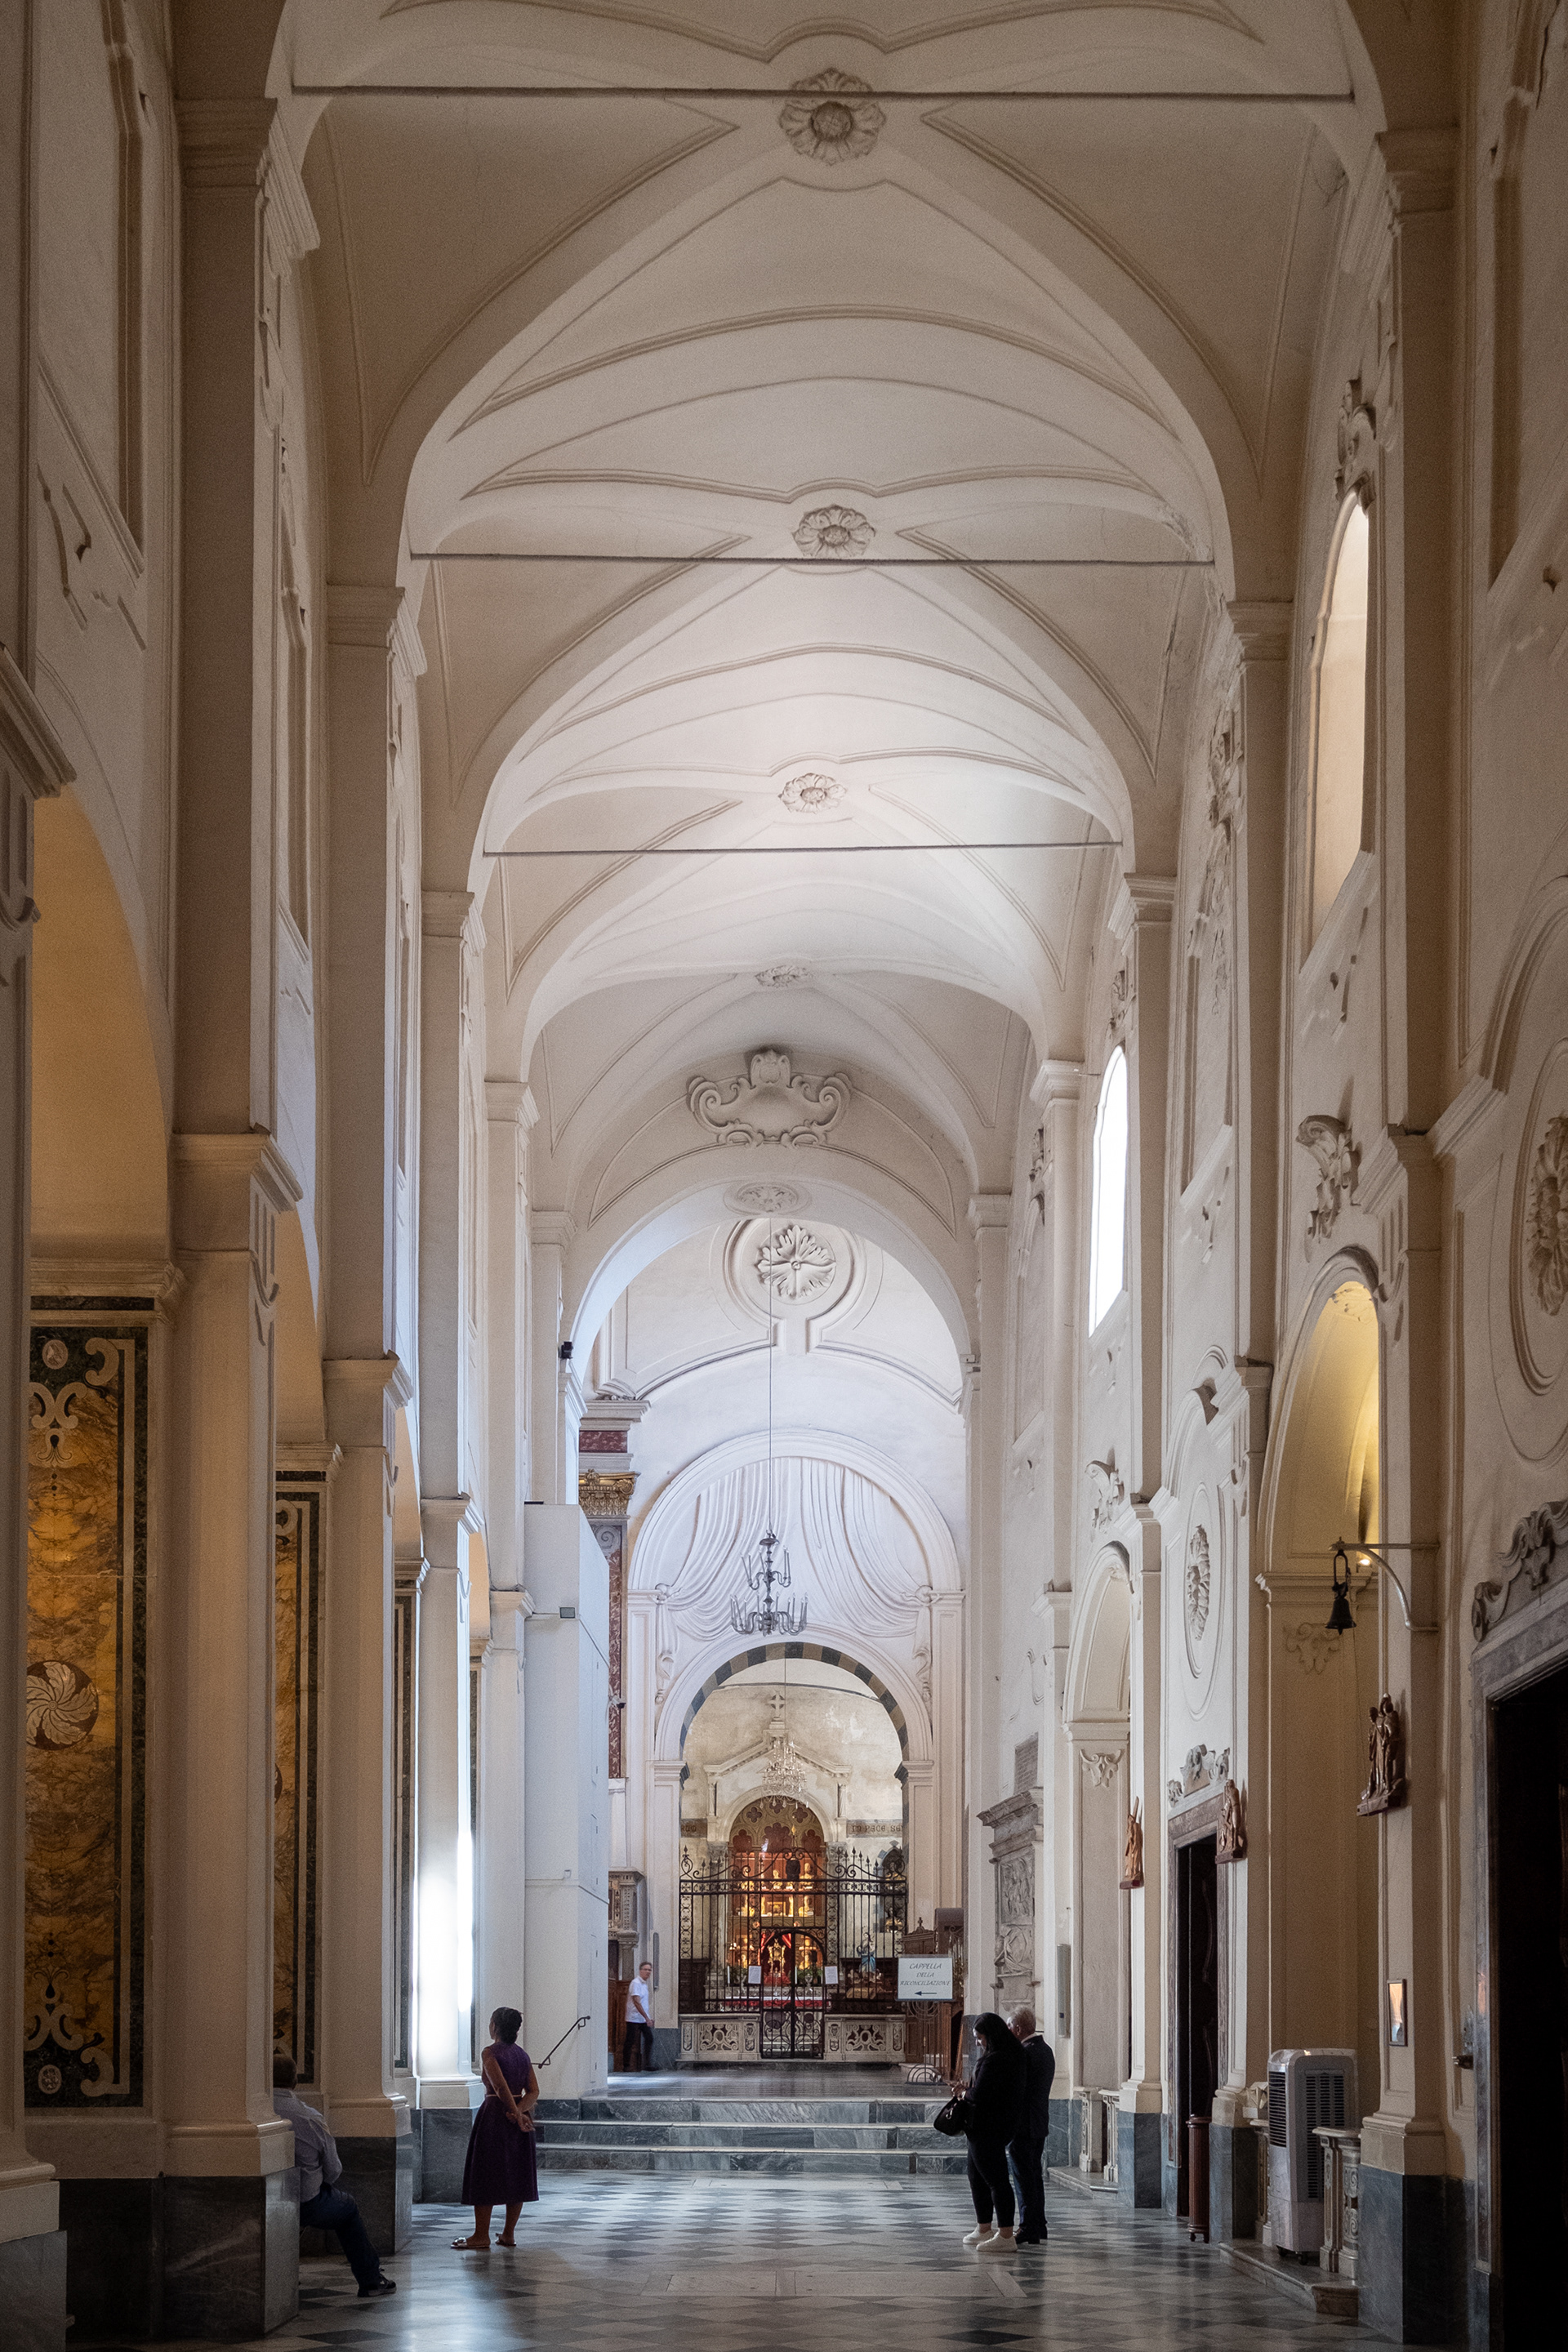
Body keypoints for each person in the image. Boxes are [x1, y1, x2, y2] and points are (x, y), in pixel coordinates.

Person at [273, 2055, 395, 2299]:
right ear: (295, 2081)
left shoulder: (260, 2113)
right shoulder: (309, 2117)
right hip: (308, 2202)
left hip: (268, 2198)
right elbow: (334, 2168)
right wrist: (321, 2183)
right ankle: (370, 2280)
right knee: (347, 2208)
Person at [453, 2007, 539, 2250]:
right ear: (516, 2030)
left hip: (493, 2116)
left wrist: (512, 2111)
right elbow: (534, 2090)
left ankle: (481, 2235)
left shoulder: (489, 2052)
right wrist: (520, 2112)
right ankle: (508, 2234)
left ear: (494, 2027)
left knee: (485, 2174)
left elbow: (499, 2086)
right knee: (517, 2174)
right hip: (518, 2119)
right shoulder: (523, 2056)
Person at [960, 2011, 1026, 2252]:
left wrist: (963, 2094)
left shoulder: (999, 2059)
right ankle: (984, 2228)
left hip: (989, 2128)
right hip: (982, 2128)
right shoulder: (1008, 2055)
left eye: (980, 2037)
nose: (978, 2042)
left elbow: (981, 2095)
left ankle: (1006, 2235)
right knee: (977, 2178)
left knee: (997, 2181)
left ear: (992, 2035)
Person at [1006, 2005, 1055, 2246]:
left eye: (1008, 2027)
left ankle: (1028, 2227)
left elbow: (1017, 2090)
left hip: (1024, 2124)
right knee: (1034, 2176)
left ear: (1017, 2029)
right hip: (1038, 2123)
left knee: (1024, 2178)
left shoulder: (1025, 2053)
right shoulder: (1045, 2049)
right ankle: (1040, 2224)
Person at [621, 1959, 654, 2073]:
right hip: (634, 2018)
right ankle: (626, 2065)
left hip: (643, 2018)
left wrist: (648, 2017)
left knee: (649, 2038)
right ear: (640, 1971)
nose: (648, 1972)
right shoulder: (636, 1983)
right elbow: (636, 2001)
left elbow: (644, 2003)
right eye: (645, 1969)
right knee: (630, 2041)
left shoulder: (644, 1984)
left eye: (649, 1970)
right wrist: (647, 2018)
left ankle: (647, 2064)